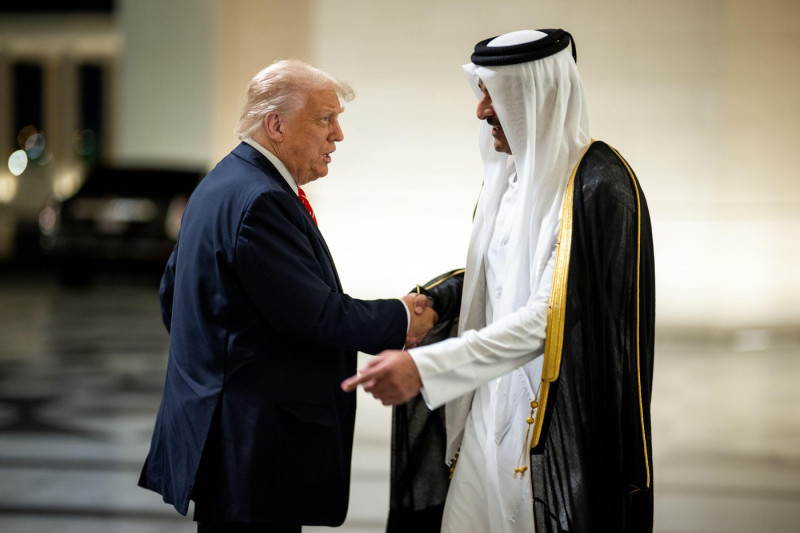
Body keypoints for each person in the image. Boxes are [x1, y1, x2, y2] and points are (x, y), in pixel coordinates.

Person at [343, 29, 655, 532]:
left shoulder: (598, 186)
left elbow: (549, 318)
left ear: (534, 95)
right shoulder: (508, 180)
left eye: (494, 94)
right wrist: (440, 302)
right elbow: (497, 278)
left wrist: (426, 368)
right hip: (487, 409)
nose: (482, 110)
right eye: (481, 92)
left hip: (553, 427)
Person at [138, 59, 438, 533]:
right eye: (324, 119)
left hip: (227, 433)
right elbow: (317, 316)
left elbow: (172, 297)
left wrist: (221, 361)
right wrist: (403, 319)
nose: (337, 135)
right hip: (253, 445)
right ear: (275, 124)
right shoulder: (262, 200)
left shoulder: (223, 182)